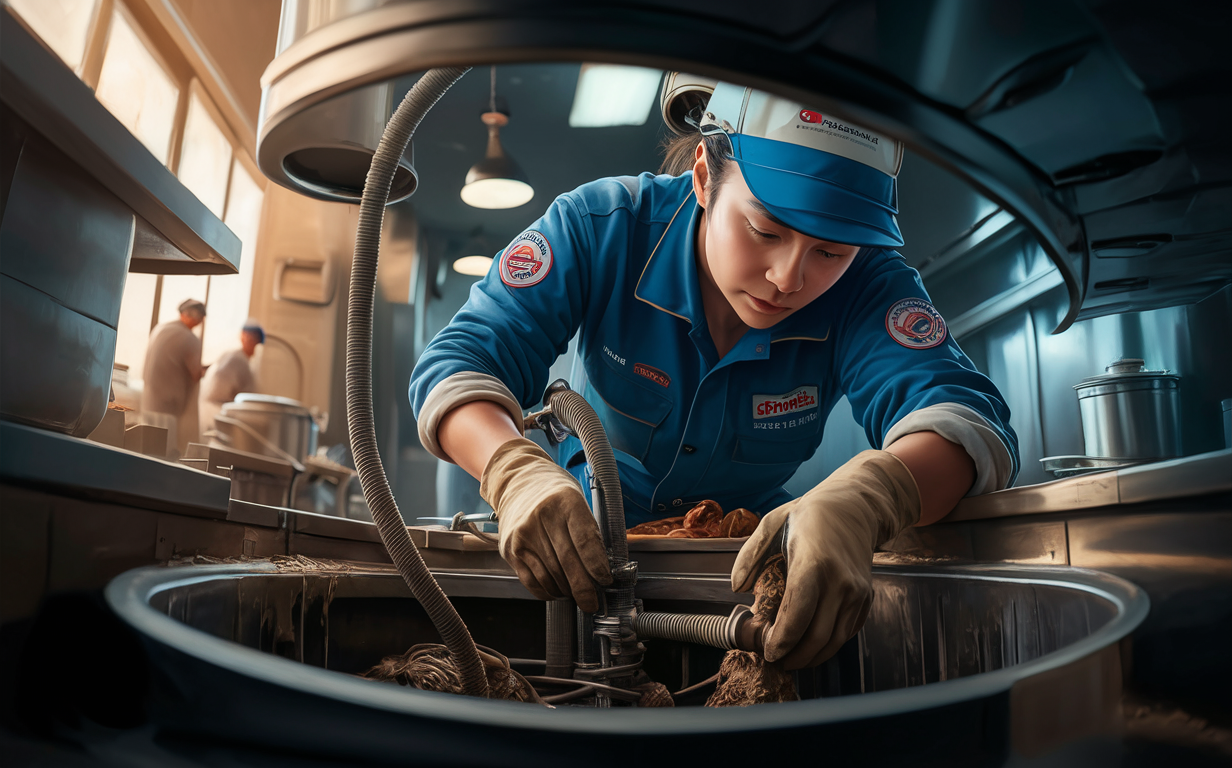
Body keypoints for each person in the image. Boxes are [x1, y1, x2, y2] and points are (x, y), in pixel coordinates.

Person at [409, 81, 1019, 670]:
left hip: (747, 569)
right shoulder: (602, 227)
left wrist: (872, 496)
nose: (789, 277)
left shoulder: (870, 284)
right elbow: (459, 362)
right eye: (765, 230)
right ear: (703, 176)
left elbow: (964, 421)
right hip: (588, 546)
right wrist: (511, 470)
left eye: (830, 252)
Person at [141, 298, 207, 457]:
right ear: (194, 317)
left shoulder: (160, 328)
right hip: (168, 407)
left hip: (148, 402)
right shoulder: (190, 339)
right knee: (164, 454)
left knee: (146, 451)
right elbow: (195, 374)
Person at [199, 320, 264, 436]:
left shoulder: (231, 355)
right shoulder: (240, 361)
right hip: (218, 412)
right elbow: (247, 398)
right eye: (250, 337)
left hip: (206, 410)